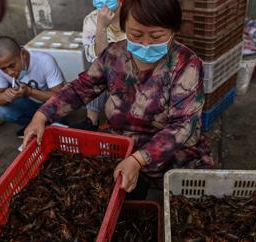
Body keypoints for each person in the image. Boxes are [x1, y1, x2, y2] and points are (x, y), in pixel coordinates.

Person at [23, 0, 213, 198]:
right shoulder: (113, 55)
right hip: (123, 148)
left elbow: (183, 125)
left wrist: (138, 160)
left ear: (173, 31)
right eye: (136, 35)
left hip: (172, 155)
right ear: (124, 28)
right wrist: (41, 115)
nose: (146, 44)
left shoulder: (186, 64)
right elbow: (81, 88)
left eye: (156, 36)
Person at [0, 36, 65, 136]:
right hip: (30, 105)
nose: (10, 72)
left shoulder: (44, 60)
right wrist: (6, 96)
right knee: (3, 112)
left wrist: (30, 92)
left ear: (22, 54)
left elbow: (61, 97)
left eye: (12, 65)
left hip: (51, 106)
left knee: (60, 124)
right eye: (3, 69)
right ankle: (35, 126)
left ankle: (53, 125)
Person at [80, 0, 126, 130]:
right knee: (96, 72)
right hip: (108, 71)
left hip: (131, 73)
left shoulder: (135, 15)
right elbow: (101, 59)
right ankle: (91, 120)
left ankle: (116, 123)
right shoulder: (91, 20)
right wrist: (101, 26)